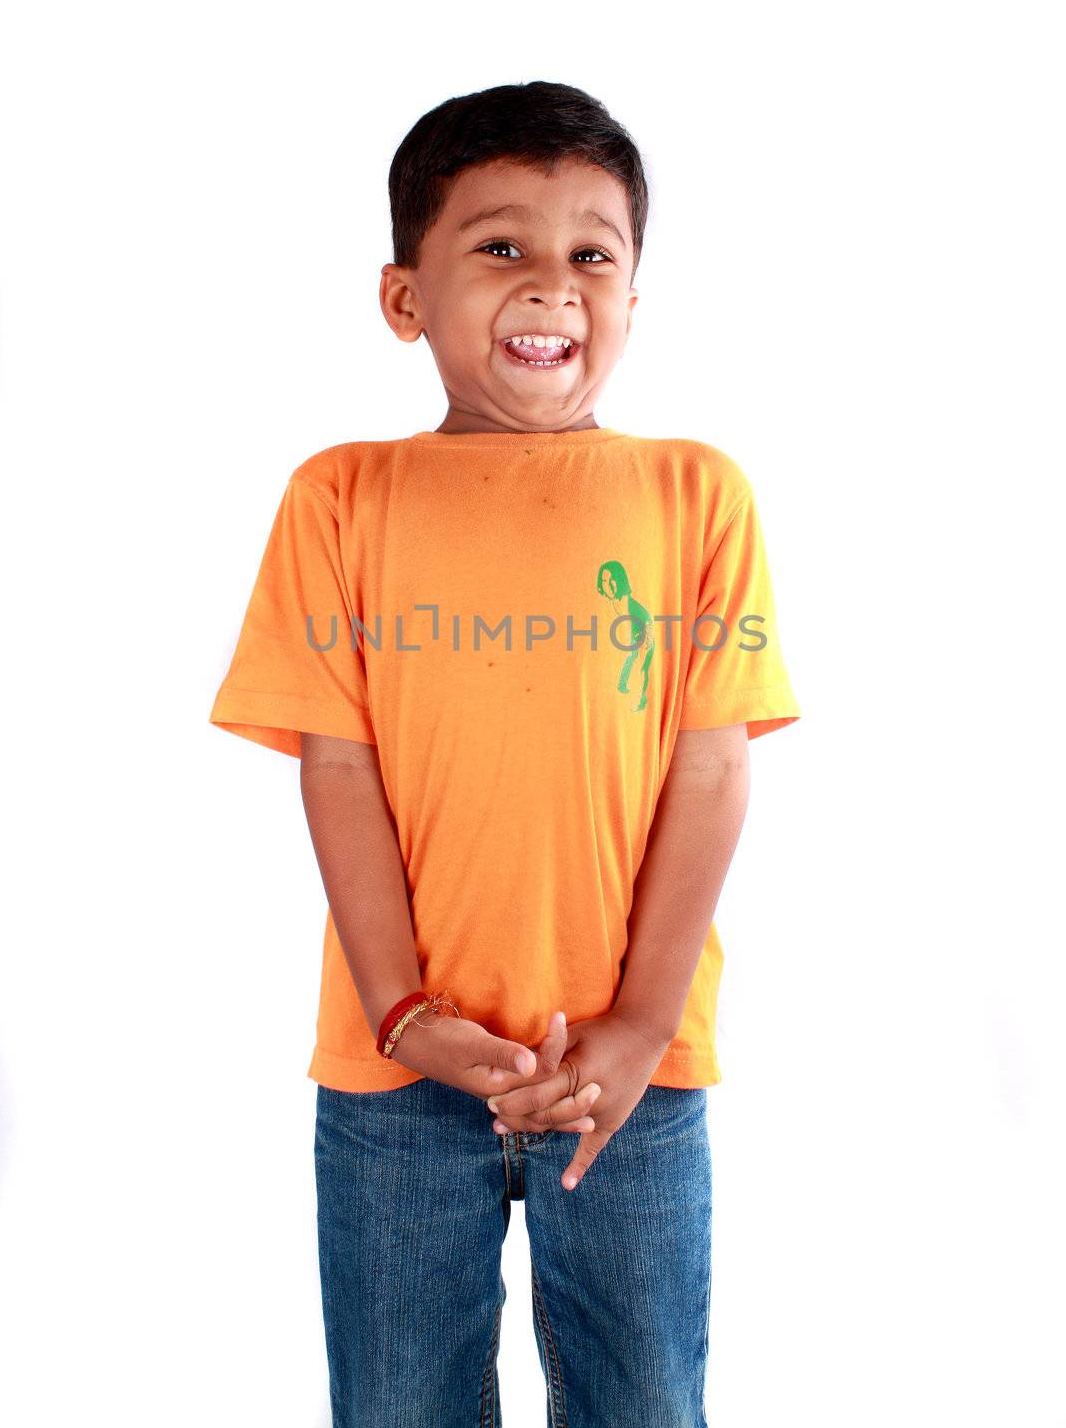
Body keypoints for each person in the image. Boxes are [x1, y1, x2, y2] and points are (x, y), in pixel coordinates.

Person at [209, 80, 800, 1428]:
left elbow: (712, 770)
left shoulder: (696, 493)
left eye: (593, 253)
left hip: (636, 1077)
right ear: (404, 296)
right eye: (500, 248)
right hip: (395, 1077)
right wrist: (405, 1011)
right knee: (399, 1406)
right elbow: (338, 769)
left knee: (646, 1404)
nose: (553, 286)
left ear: (635, 298)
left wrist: (643, 1021)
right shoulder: (341, 496)